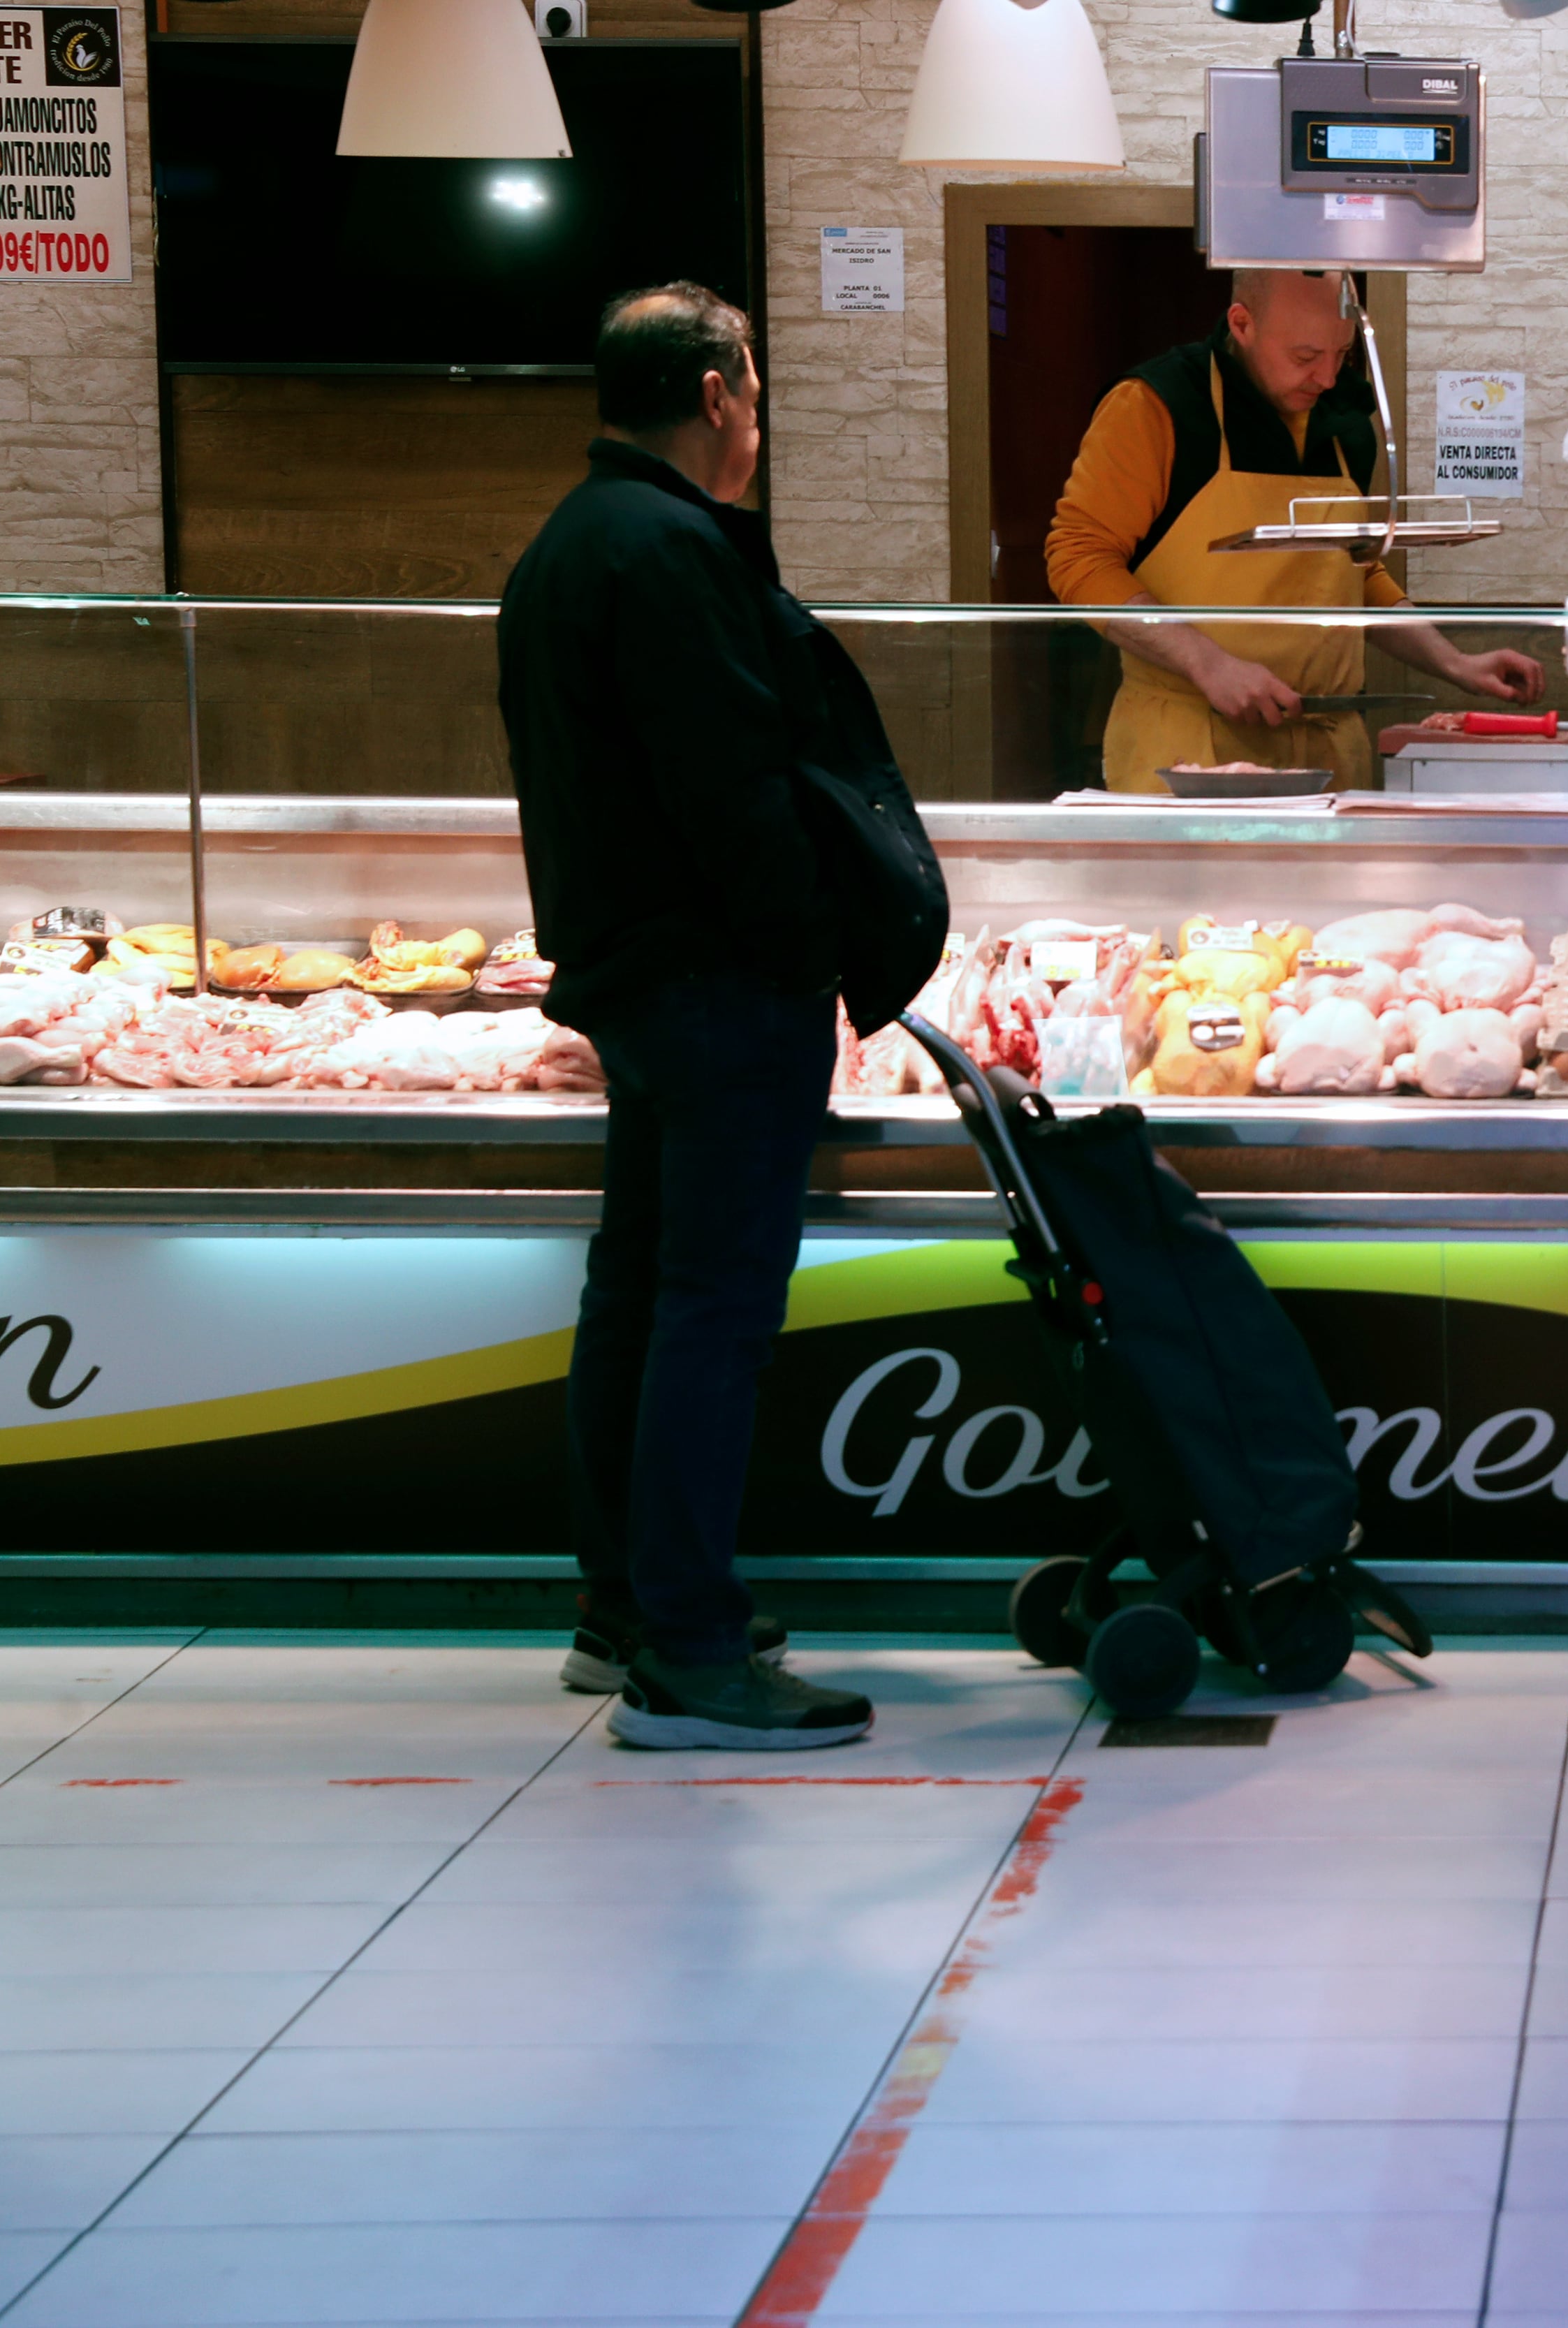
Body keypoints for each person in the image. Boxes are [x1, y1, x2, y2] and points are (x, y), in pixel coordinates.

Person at [501, 282, 932, 1750]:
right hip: (712, 981)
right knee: (711, 1309)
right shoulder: (673, 550)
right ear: (717, 391)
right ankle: (687, 1649)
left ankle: (622, 1603)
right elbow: (734, 793)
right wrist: (811, 964)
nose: (760, 416)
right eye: (754, 384)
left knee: (635, 1287)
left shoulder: (571, 540)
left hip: (630, 977)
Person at [1046, 268, 1543, 789]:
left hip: (1329, 751)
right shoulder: (1157, 404)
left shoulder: (1343, 418)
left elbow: (1351, 569)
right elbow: (1079, 558)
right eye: (1306, 357)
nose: (1327, 378)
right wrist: (1208, 664)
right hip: (1189, 750)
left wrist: (1456, 662)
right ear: (1242, 323)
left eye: (1341, 355)